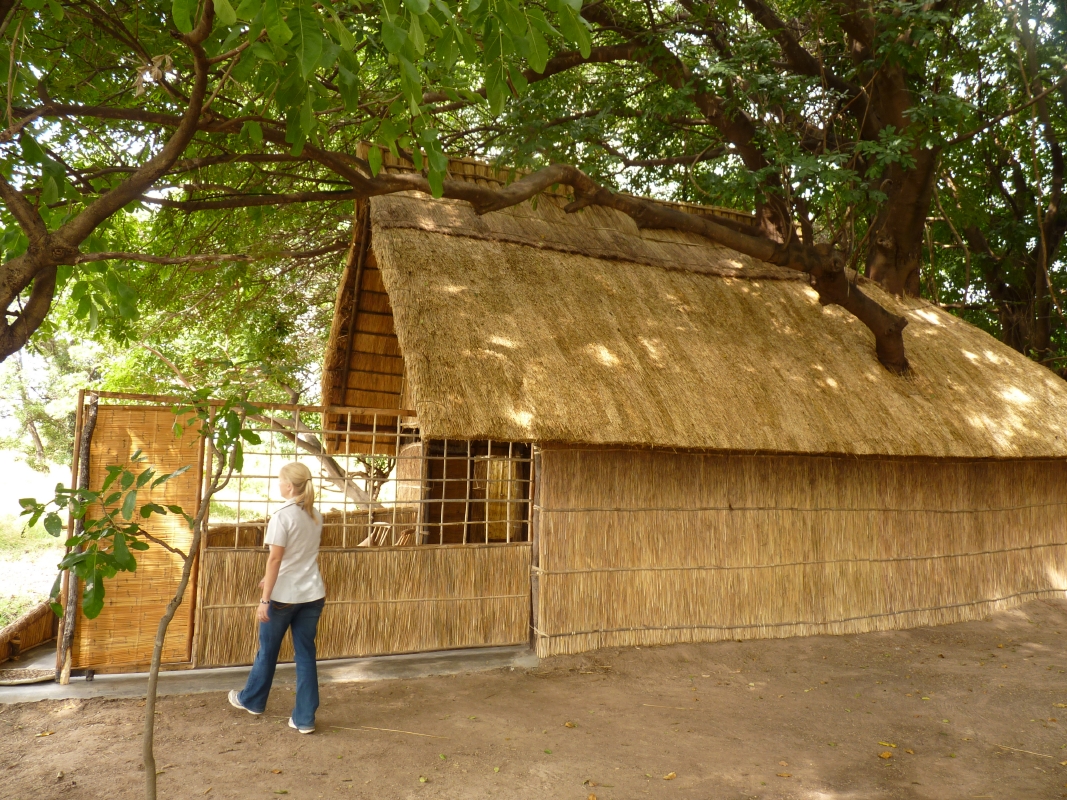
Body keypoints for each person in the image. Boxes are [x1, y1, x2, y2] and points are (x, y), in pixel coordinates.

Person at [228, 462, 326, 733]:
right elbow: (298, 556)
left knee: (268, 650)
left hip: (283, 597)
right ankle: (304, 719)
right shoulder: (316, 515)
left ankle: (252, 700)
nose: (278, 484)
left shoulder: (282, 516)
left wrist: (264, 599)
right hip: (312, 594)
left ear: (290, 486)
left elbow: (275, 559)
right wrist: (269, 579)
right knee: (305, 655)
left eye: (280, 480)